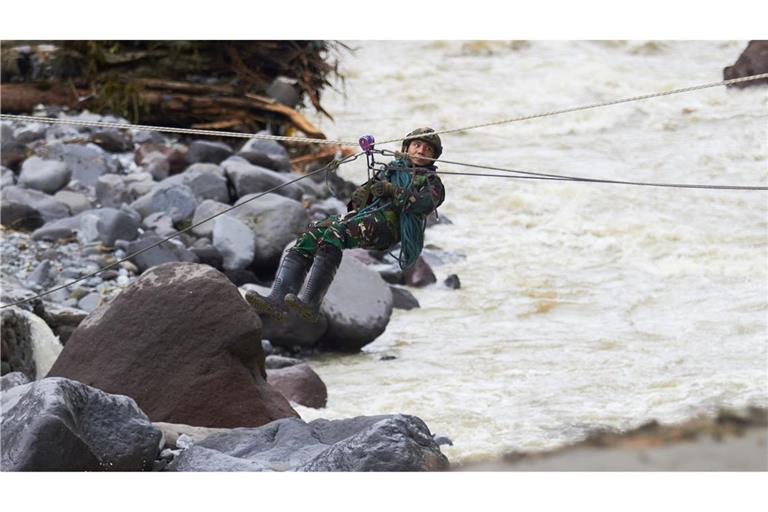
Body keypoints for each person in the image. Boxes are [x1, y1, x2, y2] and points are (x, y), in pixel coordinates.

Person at [245, 127, 446, 323]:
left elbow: (422, 203)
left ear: (434, 157)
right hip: (369, 219)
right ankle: (277, 299)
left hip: (389, 229)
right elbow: (361, 202)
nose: (420, 151)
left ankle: (311, 303)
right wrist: (364, 193)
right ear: (406, 147)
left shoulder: (432, 182)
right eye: (417, 145)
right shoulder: (390, 170)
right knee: (312, 233)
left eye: (427, 149)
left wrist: (392, 190)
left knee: (336, 232)